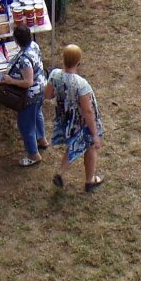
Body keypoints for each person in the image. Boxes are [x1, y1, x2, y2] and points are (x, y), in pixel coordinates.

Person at [45, 44, 104, 192]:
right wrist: (95, 134)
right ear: (78, 61)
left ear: (63, 59)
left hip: (66, 118)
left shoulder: (54, 75)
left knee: (73, 144)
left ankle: (60, 173)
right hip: (81, 122)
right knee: (90, 146)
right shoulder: (81, 84)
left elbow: (48, 95)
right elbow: (87, 111)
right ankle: (90, 181)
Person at [2, 24, 47, 165]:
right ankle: (42, 140)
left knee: (26, 124)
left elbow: (28, 82)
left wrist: (11, 80)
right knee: (37, 114)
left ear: (16, 41)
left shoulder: (24, 60)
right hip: (42, 87)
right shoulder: (34, 45)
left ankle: (34, 155)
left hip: (30, 95)